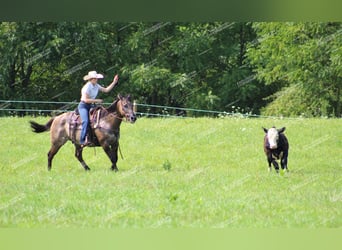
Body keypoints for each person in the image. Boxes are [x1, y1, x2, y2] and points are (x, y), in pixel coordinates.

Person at [78, 70, 119, 147]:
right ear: (91, 79)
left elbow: (106, 90)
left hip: (92, 105)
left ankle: (97, 136)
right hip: (84, 106)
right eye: (95, 78)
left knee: (102, 116)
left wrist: (114, 82)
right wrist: (97, 100)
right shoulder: (86, 87)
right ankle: (82, 140)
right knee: (86, 121)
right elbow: (85, 100)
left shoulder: (96, 85)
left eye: (96, 78)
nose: (96, 79)